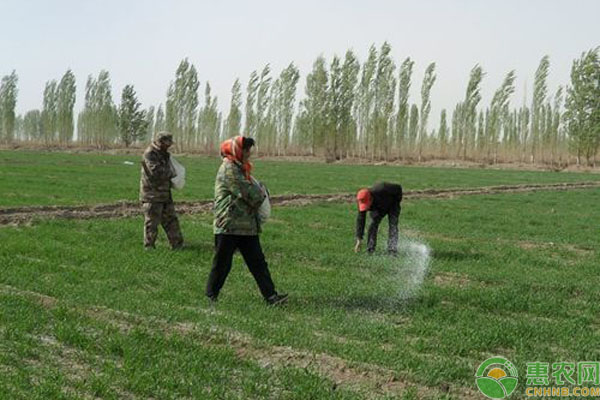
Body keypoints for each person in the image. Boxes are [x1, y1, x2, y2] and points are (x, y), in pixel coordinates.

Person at [205, 135, 288, 305]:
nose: (248, 153)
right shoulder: (229, 169)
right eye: (246, 149)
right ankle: (211, 295)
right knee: (222, 263)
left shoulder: (241, 168)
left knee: (258, 262)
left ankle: (271, 296)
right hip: (228, 225)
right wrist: (262, 194)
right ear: (236, 150)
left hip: (246, 225)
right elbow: (250, 193)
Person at [139, 132, 184, 250]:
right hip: (152, 195)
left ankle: (177, 244)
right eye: (167, 143)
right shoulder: (150, 153)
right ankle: (149, 247)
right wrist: (174, 173)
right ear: (161, 142)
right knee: (152, 223)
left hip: (165, 193)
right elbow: (156, 172)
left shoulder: (164, 154)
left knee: (171, 219)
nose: (169, 146)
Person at [354, 182, 403, 255]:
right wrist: (359, 239)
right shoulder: (362, 199)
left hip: (393, 204)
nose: (366, 207)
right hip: (378, 207)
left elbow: (398, 188)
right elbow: (361, 219)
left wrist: (396, 202)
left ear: (370, 198)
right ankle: (370, 249)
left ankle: (392, 250)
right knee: (373, 224)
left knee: (393, 225)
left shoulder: (381, 188)